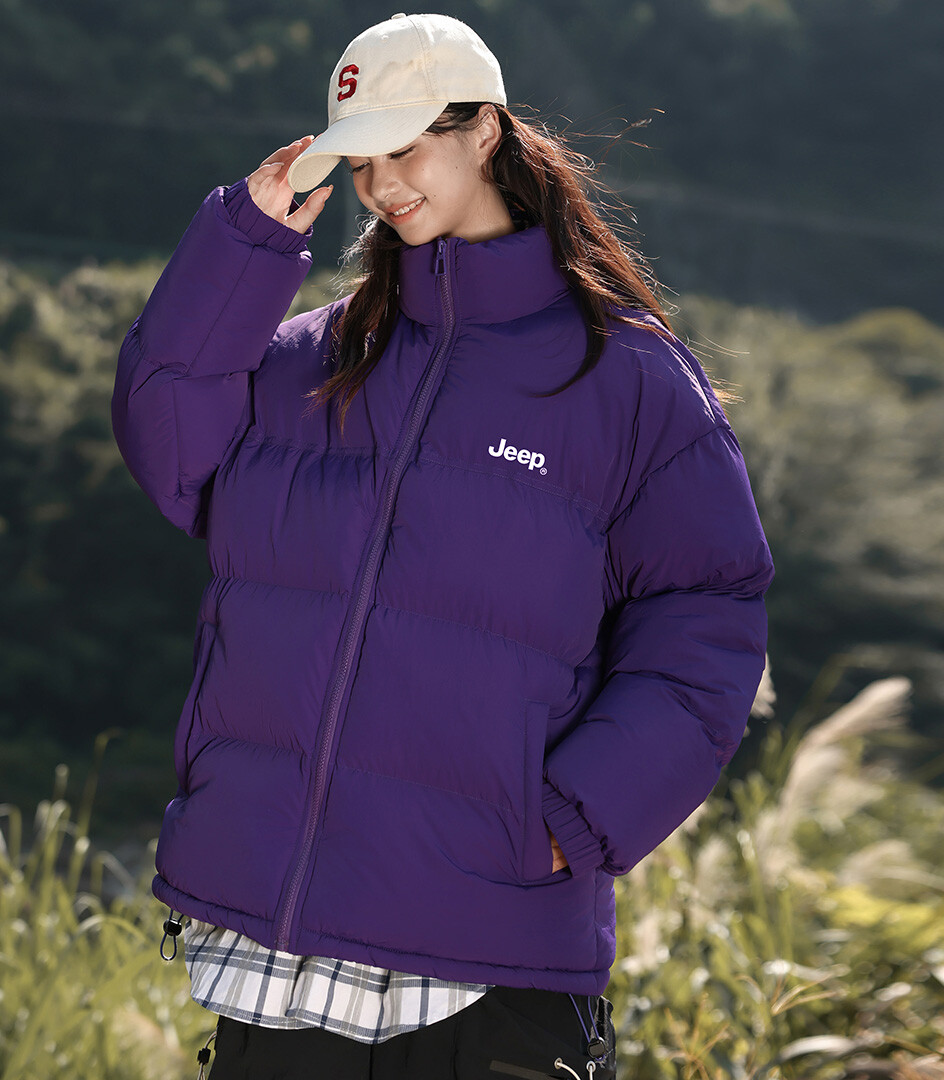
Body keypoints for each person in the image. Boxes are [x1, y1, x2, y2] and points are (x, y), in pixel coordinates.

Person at [111, 12, 773, 1079]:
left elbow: (707, 618)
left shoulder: (629, 381)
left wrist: (574, 817)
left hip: (485, 955)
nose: (382, 186)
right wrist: (240, 250)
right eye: (360, 161)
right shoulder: (307, 361)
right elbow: (171, 456)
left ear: (485, 131)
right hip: (276, 956)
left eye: (407, 147)